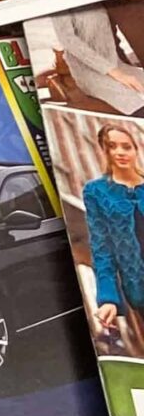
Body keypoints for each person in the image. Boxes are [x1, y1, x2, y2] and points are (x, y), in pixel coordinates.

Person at [84, 120, 144, 355]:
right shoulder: (96, 192)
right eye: (112, 146)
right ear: (104, 150)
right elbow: (102, 250)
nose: (120, 152)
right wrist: (108, 298)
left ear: (135, 149)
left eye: (126, 146)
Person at [47, 4, 144, 113]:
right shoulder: (62, 4)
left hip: (116, 63)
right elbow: (69, 41)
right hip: (88, 72)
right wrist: (116, 73)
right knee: (134, 106)